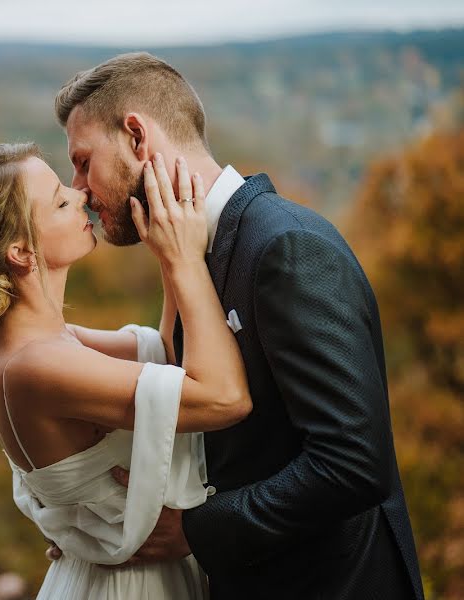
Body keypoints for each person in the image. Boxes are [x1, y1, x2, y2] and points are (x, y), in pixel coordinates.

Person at [48, 51, 424, 599]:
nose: (78, 187)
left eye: (83, 161)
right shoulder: (184, 249)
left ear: (136, 136)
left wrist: (195, 530)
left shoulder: (286, 248)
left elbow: (353, 465)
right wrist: (100, 520)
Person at [0, 141, 251, 598]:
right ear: (21, 251)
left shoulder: (15, 347)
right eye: (58, 200)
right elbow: (224, 397)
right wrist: (185, 259)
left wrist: (166, 254)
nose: (81, 197)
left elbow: (162, 358)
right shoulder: (36, 364)